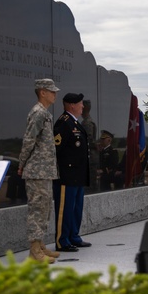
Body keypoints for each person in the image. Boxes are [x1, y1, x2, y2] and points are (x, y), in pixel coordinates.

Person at [17, 79, 61, 263]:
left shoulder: (45, 114)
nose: (55, 94)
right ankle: (34, 251)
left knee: (45, 209)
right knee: (37, 209)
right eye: (51, 91)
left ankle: (41, 245)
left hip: (45, 171)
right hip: (36, 171)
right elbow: (29, 140)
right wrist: (22, 163)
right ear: (42, 92)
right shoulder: (38, 113)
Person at [53, 92, 91, 251]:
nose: (83, 106)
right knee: (65, 208)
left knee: (76, 207)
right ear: (72, 105)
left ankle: (74, 236)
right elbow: (56, 149)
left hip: (78, 174)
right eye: (80, 103)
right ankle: (62, 240)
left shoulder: (75, 123)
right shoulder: (64, 123)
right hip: (67, 175)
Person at [80, 99, 99, 190]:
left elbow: (89, 140)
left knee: (90, 185)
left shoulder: (87, 123)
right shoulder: (86, 122)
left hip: (89, 158)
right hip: (89, 157)